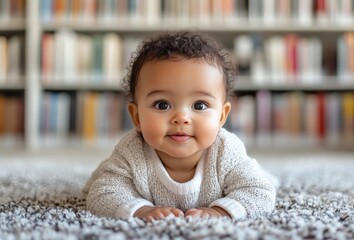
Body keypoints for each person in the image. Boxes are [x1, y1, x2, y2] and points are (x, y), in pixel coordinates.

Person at [83, 31, 276, 222]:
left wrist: (219, 212)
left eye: (199, 105)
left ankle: (263, 171)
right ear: (137, 117)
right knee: (100, 179)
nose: (181, 118)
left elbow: (260, 193)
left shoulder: (226, 151)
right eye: (162, 105)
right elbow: (101, 195)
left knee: (262, 178)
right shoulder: (131, 152)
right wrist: (142, 210)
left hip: (239, 172)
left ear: (221, 117)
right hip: (117, 173)